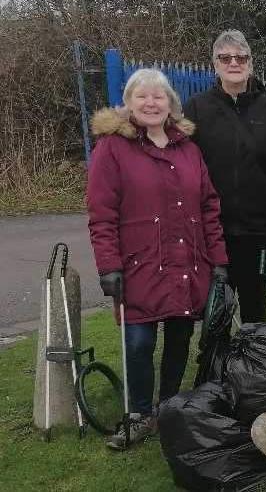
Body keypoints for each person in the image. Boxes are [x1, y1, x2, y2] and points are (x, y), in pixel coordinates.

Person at [87, 68, 229, 449]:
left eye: (158, 97)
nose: (151, 103)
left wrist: (219, 260)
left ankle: (168, 407)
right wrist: (109, 267)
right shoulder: (111, 149)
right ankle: (137, 414)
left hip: (187, 264)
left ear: (171, 104)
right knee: (137, 342)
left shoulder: (188, 149)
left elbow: (209, 206)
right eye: (141, 97)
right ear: (128, 103)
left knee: (180, 338)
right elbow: (102, 214)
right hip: (139, 266)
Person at [184, 30, 266, 323]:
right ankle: (216, 366)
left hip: (257, 231)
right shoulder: (197, 109)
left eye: (241, 57)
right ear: (215, 64)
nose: (233, 62)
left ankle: (254, 365)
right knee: (216, 308)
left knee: (254, 307)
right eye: (226, 57)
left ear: (250, 63)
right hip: (213, 230)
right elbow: (183, 167)